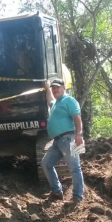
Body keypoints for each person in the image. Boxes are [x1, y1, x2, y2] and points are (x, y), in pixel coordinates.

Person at [41, 78, 85, 206]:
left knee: (75, 168)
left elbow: (77, 117)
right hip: (57, 141)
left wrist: (79, 134)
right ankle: (57, 192)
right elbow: (50, 99)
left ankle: (77, 198)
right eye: (54, 88)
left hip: (70, 138)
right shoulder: (55, 103)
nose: (55, 90)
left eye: (57, 87)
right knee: (46, 163)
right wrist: (47, 87)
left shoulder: (69, 100)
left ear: (64, 88)